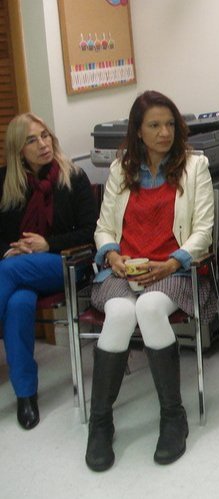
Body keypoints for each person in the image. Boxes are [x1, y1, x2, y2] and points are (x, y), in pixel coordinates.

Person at [84, 91, 215, 472]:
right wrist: (112, 255)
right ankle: (100, 424)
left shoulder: (195, 167)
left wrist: (172, 263)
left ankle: (173, 416)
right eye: (154, 125)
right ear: (138, 132)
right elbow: (104, 226)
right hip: (124, 270)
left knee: (149, 307)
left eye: (169, 124)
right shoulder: (119, 171)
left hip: (175, 270)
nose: (164, 133)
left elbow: (203, 231)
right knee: (121, 313)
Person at [0, 113, 96, 430]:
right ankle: (26, 396)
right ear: (18, 151)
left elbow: (90, 233)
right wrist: (9, 250)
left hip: (66, 263)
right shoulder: (5, 183)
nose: (43, 144)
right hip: (19, 269)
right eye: (32, 140)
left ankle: (25, 394)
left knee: (9, 271)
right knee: (17, 305)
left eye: (45, 136)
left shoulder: (74, 177)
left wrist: (47, 244)